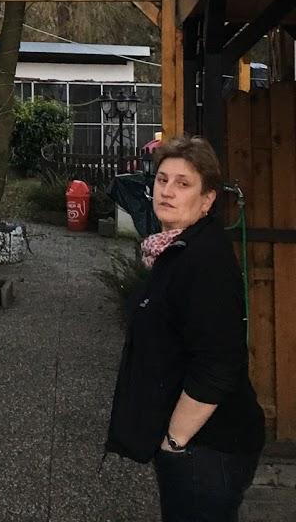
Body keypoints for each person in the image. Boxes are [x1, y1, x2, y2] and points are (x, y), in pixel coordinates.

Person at [106, 135, 265, 521]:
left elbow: (218, 365)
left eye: (183, 183)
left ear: (207, 199)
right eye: (162, 180)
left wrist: (174, 440)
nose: (168, 191)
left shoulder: (203, 260)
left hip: (208, 448)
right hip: (196, 445)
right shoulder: (172, 249)